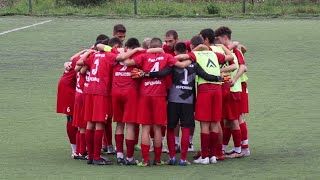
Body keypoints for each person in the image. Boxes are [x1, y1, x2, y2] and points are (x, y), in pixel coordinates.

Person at [123, 38, 192, 166]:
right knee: (157, 128)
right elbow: (182, 65)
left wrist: (138, 50)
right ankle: (158, 160)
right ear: (161, 46)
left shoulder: (143, 56)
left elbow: (126, 62)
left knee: (145, 127)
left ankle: (145, 160)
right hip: (159, 95)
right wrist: (194, 58)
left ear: (150, 46)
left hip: (145, 94)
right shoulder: (167, 56)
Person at [175, 35, 234, 164]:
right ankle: (212, 155)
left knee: (205, 124)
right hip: (218, 89)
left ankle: (205, 156)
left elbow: (181, 58)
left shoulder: (195, 54)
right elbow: (230, 57)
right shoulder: (213, 54)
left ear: (192, 46)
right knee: (214, 123)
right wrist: (223, 47)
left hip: (205, 89)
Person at [76, 40, 115, 165]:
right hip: (101, 93)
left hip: (89, 91)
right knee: (99, 124)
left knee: (90, 124)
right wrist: (108, 49)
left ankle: (91, 156)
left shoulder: (94, 55)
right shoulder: (110, 55)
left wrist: (90, 52)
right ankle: (97, 157)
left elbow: (79, 62)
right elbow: (116, 54)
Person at [215, 26, 250, 157]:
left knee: (237, 117)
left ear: (224, 38)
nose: (216, 42)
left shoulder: (234, 50)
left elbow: (243, 67)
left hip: (236, 87)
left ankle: (242, 148)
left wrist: (234, 79)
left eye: (218, 39)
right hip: (230, 87)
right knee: (228, 119)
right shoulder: (228, 49)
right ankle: (232, 147)